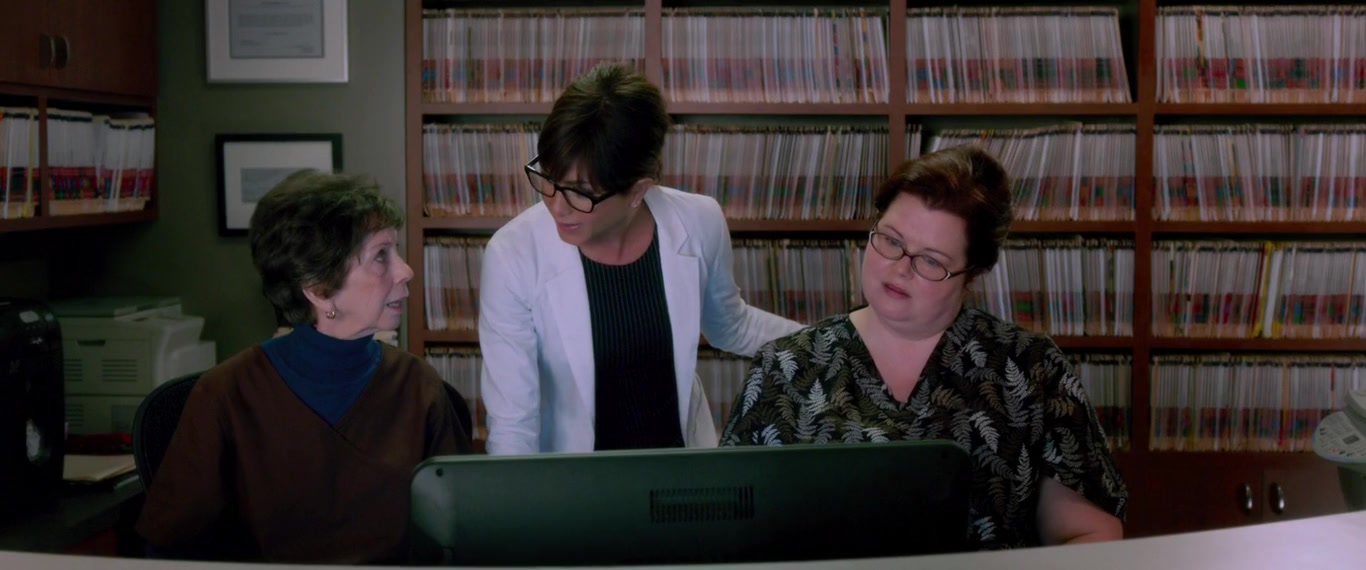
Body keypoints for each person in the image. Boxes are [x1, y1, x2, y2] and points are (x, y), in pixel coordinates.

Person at [718, 145, 1127, 550]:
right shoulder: (786, 365)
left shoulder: (1031, 368)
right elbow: (729, 531)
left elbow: (1089, 535)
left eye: (931, 261)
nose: (900, 268)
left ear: (973, 274)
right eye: (891, 240)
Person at [136, 171, 473, 563]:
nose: (405, 270)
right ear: (319, 289)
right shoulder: (225, 395)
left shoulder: (418, 385)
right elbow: (169, 549)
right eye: (381, 256)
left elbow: (462, 537)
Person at [479, 62, 802, 455]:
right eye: (549, 178)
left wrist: (841, 341)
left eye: (581, 192)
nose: (556, 206)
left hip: (679, 469)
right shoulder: (512, 254)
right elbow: (513, 425)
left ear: (637, 190)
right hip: (575, 479)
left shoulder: (698, 222)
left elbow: (731, 326)